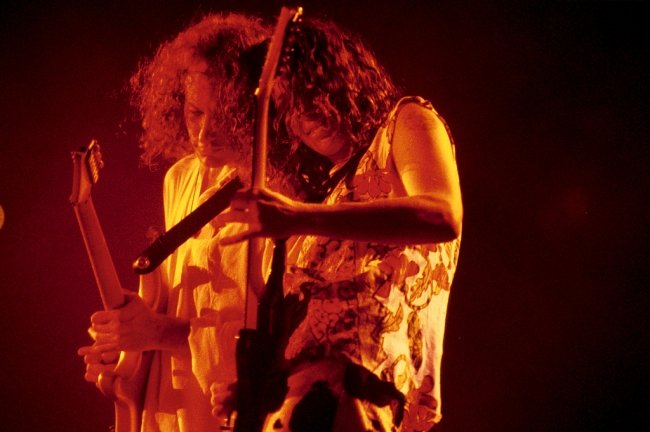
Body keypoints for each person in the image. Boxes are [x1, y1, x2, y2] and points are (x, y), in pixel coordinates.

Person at [217, 17, 463, 432]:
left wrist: (296, 216)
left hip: (358, 389)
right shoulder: (326, 194)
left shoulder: (405, 121)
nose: (306, 112)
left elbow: (442, 214)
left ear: (347, 80)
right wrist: (260, 388)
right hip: (301, 398)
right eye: (290, 104)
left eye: (314, 91)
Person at [76, 13, 270, 431]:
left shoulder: (279, 189)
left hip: (238, 412)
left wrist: (158, 333)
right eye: (195, 112)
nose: (204, 133)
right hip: (172, 409)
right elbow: (168, 306)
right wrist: (124, 341)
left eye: (225, 116)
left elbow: (281, 339)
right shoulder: (179, 178)